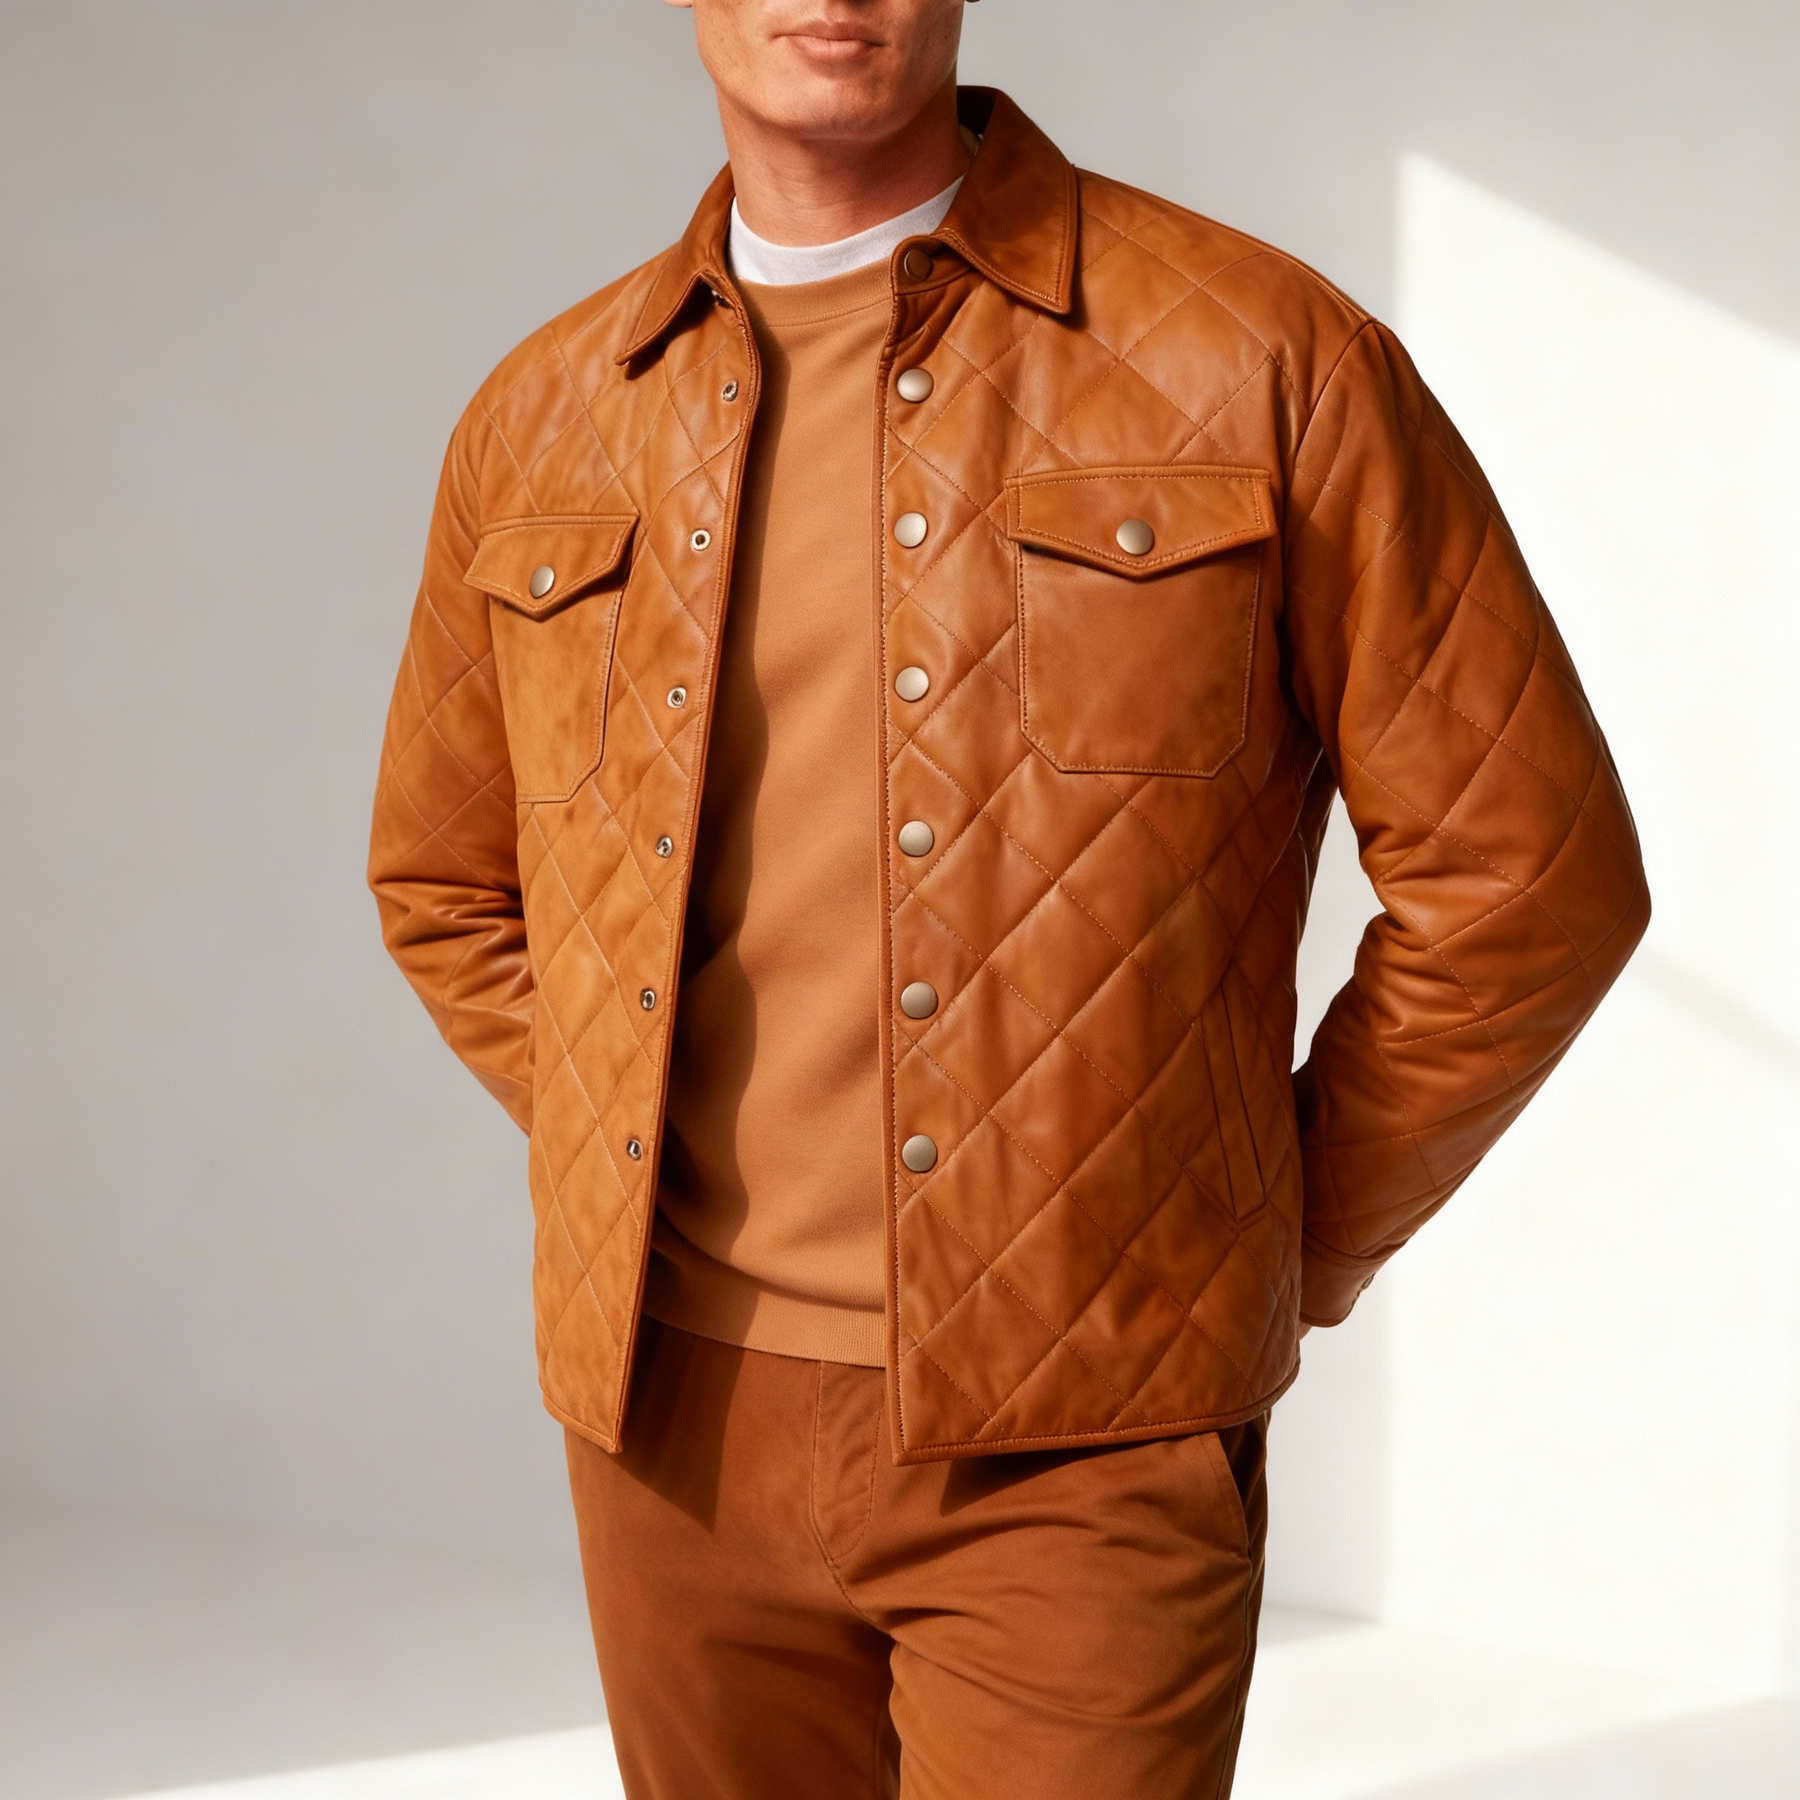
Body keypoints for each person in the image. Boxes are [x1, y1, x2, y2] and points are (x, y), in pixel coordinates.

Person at [367, 2, 1649, 1792]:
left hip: (1092, 1444)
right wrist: (621, 1138)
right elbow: (446, 882)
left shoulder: (1264, 355)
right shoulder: (548, 414)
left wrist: (1261, 1233)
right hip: (666, 1436)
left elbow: (1530, 878)